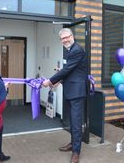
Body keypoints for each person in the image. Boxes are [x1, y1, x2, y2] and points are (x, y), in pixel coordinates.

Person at [42, 28, 88, 163]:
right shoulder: (70, 50)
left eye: (67, 37)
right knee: (72, 121)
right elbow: (71, 71)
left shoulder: (77, 50)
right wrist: (59, 80)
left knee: (76, 122)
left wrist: (50, 81)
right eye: (62, 39)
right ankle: (73, 144)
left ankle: (76, 152)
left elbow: (68, 69)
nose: (65, 40)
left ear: (72, 36)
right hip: (70, 90)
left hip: (77, 92)